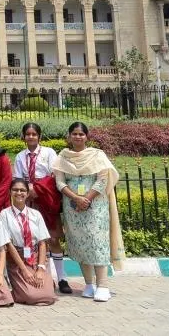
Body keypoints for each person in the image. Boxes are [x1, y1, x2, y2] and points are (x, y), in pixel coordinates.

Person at [53, 121, 125, 302]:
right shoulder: (63, 157)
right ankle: (89, 284)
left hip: (95, 207)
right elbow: (60, 182)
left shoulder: (97, 155)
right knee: (80, 243)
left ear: (87, 137)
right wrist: (76, 198)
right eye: (74, 134)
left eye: (81, 134)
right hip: (72, 207)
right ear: (69, 136)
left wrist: (87, 198)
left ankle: (103, 286)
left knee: (97, 242)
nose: (77, 137)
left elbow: (102, 180)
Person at [13, 122, 69, 293]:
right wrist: (27, 190)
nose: (31, 137)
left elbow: (53, 175)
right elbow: (18, 179)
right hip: (29, 199)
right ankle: (45, 278)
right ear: (23, 137)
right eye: (28, 134)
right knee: (34, 239)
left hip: (46, 198)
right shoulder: (20, 156)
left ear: (39, 136)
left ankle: (62, 278)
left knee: (52, 238)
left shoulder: (48, 153)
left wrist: (38, 188)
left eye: (34, 134)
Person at [1, 178, 56, 306]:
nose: (19, 193)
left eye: (22, 190)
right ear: (10, 192)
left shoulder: (36, 214)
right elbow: (9, 244)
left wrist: (41, 268)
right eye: (15, 190)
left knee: (48, 296)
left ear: (27, 193)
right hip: (17, 261)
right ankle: (16, 291)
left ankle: (46, 281)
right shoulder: (5, 214)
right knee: (31, 296)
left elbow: (42, 242)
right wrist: (24, 270)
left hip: (35, 258)